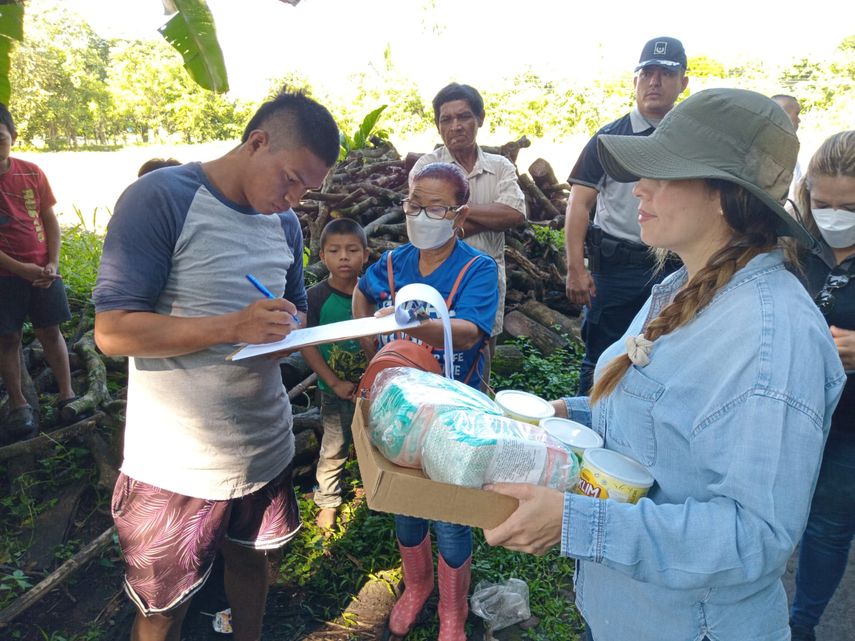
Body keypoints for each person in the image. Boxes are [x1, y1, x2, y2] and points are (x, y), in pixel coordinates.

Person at [483, 88, 845, 641]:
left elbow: (754, 537)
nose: (639, 188)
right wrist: (555, 412)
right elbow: (655, 416)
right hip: (630, 611)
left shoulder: (772, 338)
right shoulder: (682, 286)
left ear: (726, 196)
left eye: (665, 173)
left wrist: (576, 521)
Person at [92, 91, 340, 641]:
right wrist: (232, 326)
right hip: (176, 464)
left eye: (308, 189)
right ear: (258, 142)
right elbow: (111, 333)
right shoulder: (161, 199)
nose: (295, 198)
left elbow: (292, 306)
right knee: (163, 606)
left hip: (263, 447)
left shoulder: (286, 227)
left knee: (251, 564)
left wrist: (287, 331)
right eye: (291, 179)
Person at [353, 162, 498, 641]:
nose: (421, 214)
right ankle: (416, 586)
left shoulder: (478, 269)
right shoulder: (393, 264)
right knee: (408, 502)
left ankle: (451, 612)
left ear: (459, 215)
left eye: (434, 207)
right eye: (414, 204)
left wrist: (415, 327)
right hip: (400, 410)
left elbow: (470, 330)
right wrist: (374, 348)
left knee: (450, 511)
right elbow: (361, 294)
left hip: (454, 413)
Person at [565, 37, 689, 395]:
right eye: (646, 73)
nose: (655, 82)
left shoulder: (692, 145)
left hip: (677, 268)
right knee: (602, 355)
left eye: (666, 74)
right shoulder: (609, 139)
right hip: (617, 267)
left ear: (683, 82)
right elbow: (579, 204)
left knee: (667, 356)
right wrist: (576, 266)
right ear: (634, 81)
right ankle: (585, 426)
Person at [410, 83, 525, 384]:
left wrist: (453, 214)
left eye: (463, 117)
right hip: (437, 284)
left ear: (480, 119)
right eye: (446, 119)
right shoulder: (426, 166)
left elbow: (514, 214)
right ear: (437, 126)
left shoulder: (500, 167)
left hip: (485, 287)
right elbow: (426, 226)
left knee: (479, 367)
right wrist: (489, 214)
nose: (455, 126)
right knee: (430, 366)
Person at [787, 130, 855, 641]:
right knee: (772, 512)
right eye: (823, 202)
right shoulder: (795, 243)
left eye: (849, 206)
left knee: (829, 526)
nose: (834, 216)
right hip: (789, 412)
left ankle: (801, 623)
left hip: (849, 426)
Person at [0, 103, 77, 443]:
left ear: (13, 138)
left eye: (1, 137)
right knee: (8, 338)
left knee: (51, 331)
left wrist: (53, 264)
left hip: (44, 273)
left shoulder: (31, 172)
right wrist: (20, 269)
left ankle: (68, 394)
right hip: (5, 278)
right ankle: (18, 403)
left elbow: (49, 220)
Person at [303, 218, 369, 531]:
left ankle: (378, 490)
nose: (344, 257)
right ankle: (328, 501)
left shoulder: (375, 293)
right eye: (335, 250)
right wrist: (334, 382)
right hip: (334, 389)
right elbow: (308, 346)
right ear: (323, 256)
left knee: (379, 441)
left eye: (352, 250)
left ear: (365, 255)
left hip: (374, 388)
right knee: (334, 447)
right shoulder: (315, 298)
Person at [771, 94, 804, 200]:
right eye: (797, 114)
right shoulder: (762, 150)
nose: (799, 120)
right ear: (782, 115)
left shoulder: (790, 150)